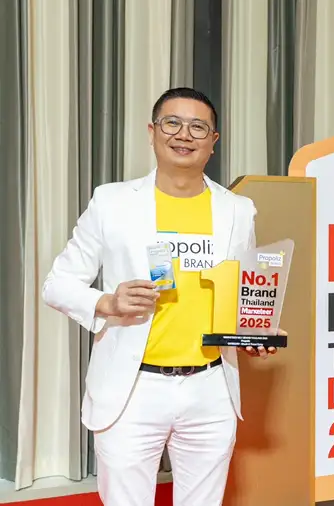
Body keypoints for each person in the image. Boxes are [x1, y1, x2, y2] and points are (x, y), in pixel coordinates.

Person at [42, 87, 282, 506]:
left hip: (211, 386)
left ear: (213, 141)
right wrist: (107, 303)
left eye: (198, 127)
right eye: (172, 123)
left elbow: (241, 290)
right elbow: (58, 284)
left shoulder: (238, 210)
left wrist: (252, 330)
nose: (184, 135)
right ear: (152, 132)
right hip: (133, 387)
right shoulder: (112, 202)